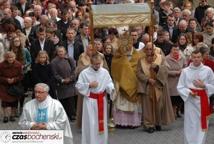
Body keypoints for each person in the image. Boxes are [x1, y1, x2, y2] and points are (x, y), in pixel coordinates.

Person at [75, 52, 115, 144]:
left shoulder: (104, 72)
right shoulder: (84, 73)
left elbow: (109, 82)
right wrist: (89, 85)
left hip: (102, 100)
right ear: (91, 63)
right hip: (90, 101)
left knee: (101, 123)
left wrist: (111, 88)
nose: (98, 66)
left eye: (99, 63)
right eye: (96, 64)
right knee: (91, 123)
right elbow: (78, 85)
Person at [177, 50, 214, 144]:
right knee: (190, 124)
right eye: (194, 57)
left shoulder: (208, 70)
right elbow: (180, 86)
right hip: (190, 101)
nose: (196, 59)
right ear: (191, 58)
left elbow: (213, 85)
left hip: (203, 99)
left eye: (198, 57)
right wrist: (189, 92)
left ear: (202, 58)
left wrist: (204, 86)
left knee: (202, 124)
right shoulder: (185, 71)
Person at [137, 42, 175, 133]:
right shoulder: (141, 60)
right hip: (148, 85)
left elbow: (166, 69)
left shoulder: (160, 58)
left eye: (151, 49)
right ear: (145, 50)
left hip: (158, 85)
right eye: (147, 49)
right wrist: (147, 79)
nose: (149, 51)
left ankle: (158, 122)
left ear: (154, 49)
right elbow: (138, 73)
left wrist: (157, 68)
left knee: (159, 105)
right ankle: (149, 124)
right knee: (148, 106)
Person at [51, 46, 76, 121]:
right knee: (63, 101)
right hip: (61, 85)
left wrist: (71, 78)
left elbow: (74, 70)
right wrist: (62, 80)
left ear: (65, 51)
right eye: (59, 51)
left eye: (62, 51)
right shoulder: (54, 62)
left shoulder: (69, 59)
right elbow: (55, 74)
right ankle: (64, 115)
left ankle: (72, 115)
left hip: (70, 83)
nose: (61, 53)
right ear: (57, 52)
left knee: (71, 100)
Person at [0, 51, 23, 123]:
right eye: (9, 57)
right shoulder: (1, 65)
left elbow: (21, 76)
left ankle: (12, 115)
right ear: (6, 58)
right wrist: (6, 80)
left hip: (15, 85)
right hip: (4, 85)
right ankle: (5, 116)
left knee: (14, 102)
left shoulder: (18, 65)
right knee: (5, 102)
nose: (10, 59)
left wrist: (14, 79)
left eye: (12, 57)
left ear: (14, 57)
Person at [166, 45, 186, 118]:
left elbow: (185, 66)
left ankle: (178, 111)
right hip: (171, 81)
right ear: (171, 50)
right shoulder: (166, 59)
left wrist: (183, 71)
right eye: (174, 50)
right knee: (173, 99)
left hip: (180, 81)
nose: (176, 51)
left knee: (179, 97)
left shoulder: (182, 58)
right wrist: (176, 73)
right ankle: (173, 113)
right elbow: (166, 71)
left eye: (177, 50)